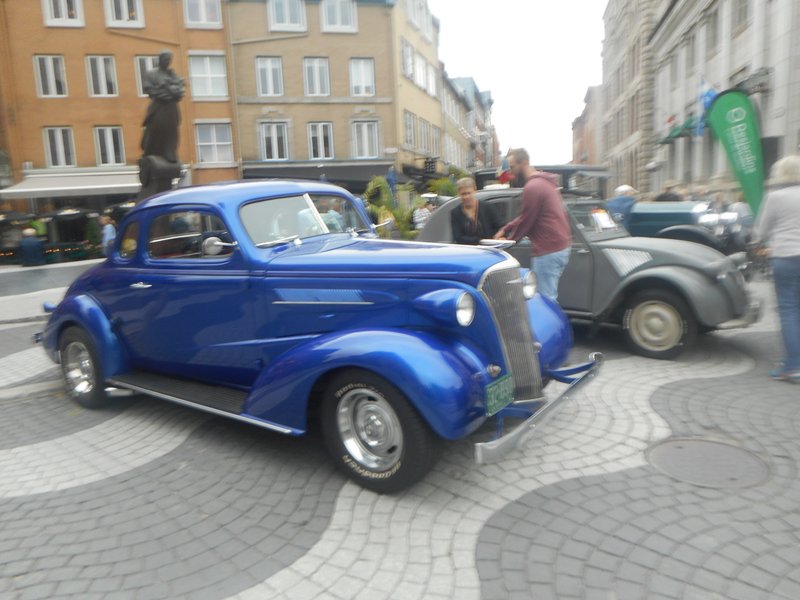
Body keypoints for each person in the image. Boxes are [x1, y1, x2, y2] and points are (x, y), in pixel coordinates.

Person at [493, 148, 571, 302]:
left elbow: (527, 221)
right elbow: (527, 216)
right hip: (560, 247)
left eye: (513, 167)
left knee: (544, 299)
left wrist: (507, 243)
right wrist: (505, 228)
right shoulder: (544, 183)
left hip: (548, 250)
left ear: (525, 163)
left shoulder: (532, 187)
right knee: (548, 295)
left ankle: (549, 326)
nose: (512, 173)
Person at [755, 155, 800, 382]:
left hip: (786, 256)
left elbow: (762, 231)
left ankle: (793, 365)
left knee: (789, 310)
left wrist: (763, 243)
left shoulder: (775, 196)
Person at [140, 50, 185, 163]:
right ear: (160, 60)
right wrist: (165, 93)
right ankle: (151, 150)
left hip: (172, 107)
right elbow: (150, 90)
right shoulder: (151, 74)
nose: (167, 61)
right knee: (156, 128)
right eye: (165, 59)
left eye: (169, 59)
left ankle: (169, 151)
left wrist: (169, 92)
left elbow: (180, 92)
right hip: (158, 107)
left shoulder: (173, 75)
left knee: (172, 130)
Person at [451, 177, 502, 245]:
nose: (466, 197)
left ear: (475, 190)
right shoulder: (455, 213)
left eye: (469, 193)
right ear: (458, 194)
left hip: (489, 250)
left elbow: (500, 226)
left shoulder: (488, 207)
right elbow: (458, 237)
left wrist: (500, 237)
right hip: (468, 251)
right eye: (463, 194)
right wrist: (479, 241)